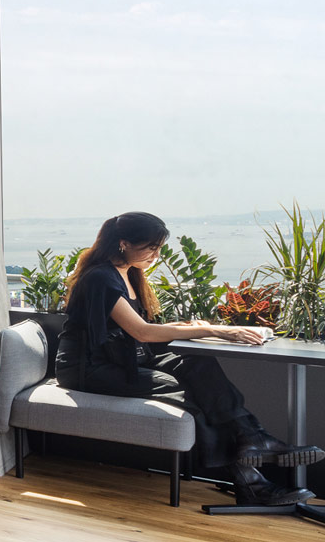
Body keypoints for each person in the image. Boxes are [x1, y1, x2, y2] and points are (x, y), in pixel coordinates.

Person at [54, 211, 318, 505]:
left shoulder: (127, 274)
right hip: (88, 368)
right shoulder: (100, 278)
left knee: (198, 366)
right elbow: (141, 332)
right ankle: (252, 481)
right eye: (150, 247)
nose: (156, 254)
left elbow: (137, 328)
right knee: (189, 393)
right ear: (123, 243)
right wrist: (214, 330)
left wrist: (191, 327)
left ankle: (253, 437)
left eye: (159, 247)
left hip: (123, 358)